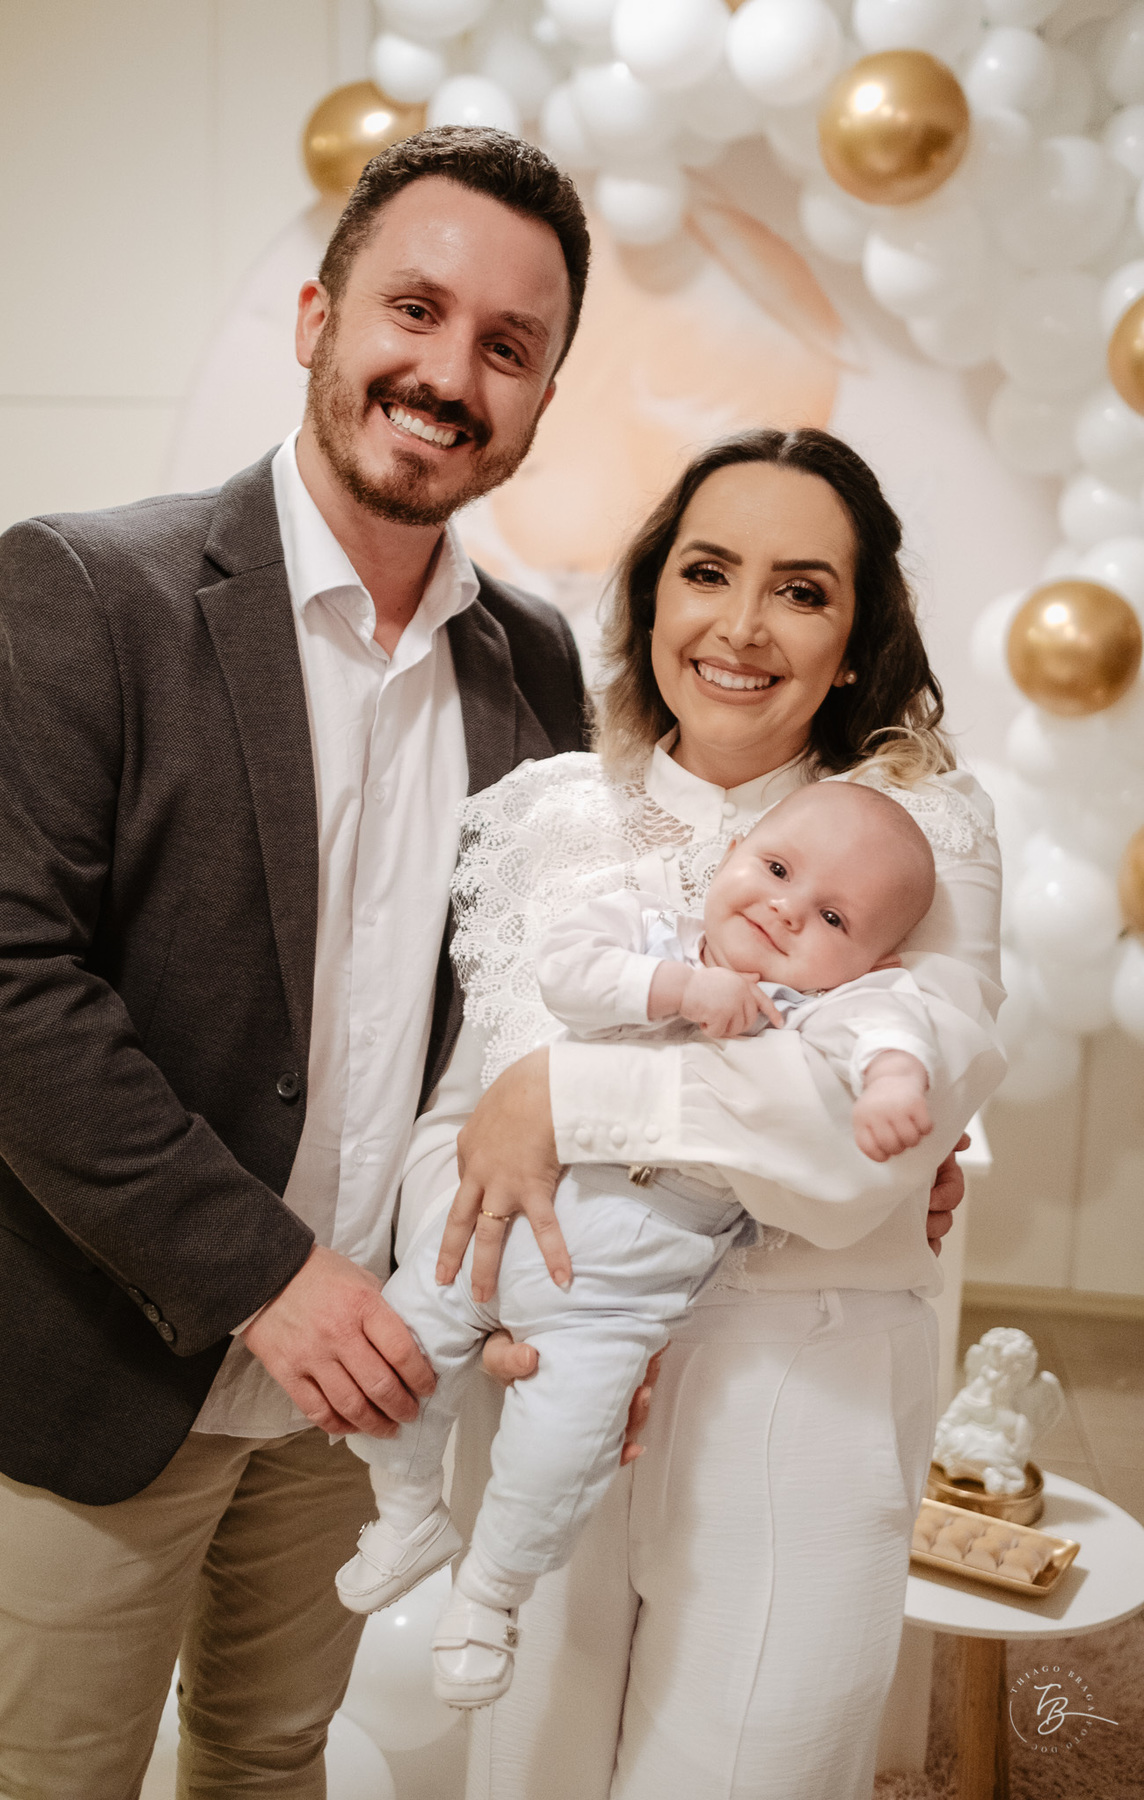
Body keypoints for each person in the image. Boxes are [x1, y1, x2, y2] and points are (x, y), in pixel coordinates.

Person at [0, 127, 591, 1798]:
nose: (450, 375)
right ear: (317, 318)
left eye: (508, 347)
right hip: (108, 1355)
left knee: (272, 1755)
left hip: (361, 1394)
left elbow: (545, 993)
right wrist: (268, 1278)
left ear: (540, 393)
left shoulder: (536, 667)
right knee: (50, 1780)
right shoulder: (87, 587)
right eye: (416, 310)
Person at [391, 427, 1005, 1800]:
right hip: (556, 1379)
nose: (740, 626)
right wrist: (489, 1278)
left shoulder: (922, 832)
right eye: (706, 572)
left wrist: (565, 1094)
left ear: (856, 639)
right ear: (651, 597)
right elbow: (452, 1134)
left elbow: (853, 1148)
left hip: (804, 1396)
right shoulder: (540, 818)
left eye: (801, 589)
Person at [334, 780, 944, 1709]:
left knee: (557, 1456)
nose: (785, 908)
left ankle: (488, 1600)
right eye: (775, 870)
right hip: (502, 1228)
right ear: (733, 854)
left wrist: (895, 1084)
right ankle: (408, 1515)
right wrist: (681, 989)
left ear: (870, 957)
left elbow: (892, 1033)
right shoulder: (651, 925)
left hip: (615, 1296)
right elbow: (564, 974)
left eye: (829, 915)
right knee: (400, 1360)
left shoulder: (823, 1008)